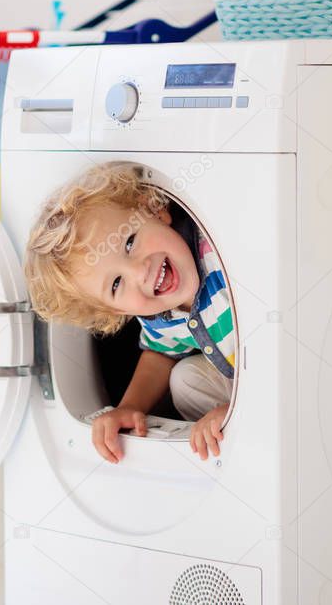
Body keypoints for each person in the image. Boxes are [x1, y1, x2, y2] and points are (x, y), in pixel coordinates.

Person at [24, 163, 235, 463]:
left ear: (154, 210)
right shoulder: (157, 315)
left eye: (130, 242)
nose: (139, 271)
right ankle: (230, 421)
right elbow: (160, 354)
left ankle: (244, 413)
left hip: (284, 362)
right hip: (237, 376)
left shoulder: (219, 259)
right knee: (184, 380)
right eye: (116, 284)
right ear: (117, 311)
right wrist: (128, 406)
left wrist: (246, 405)